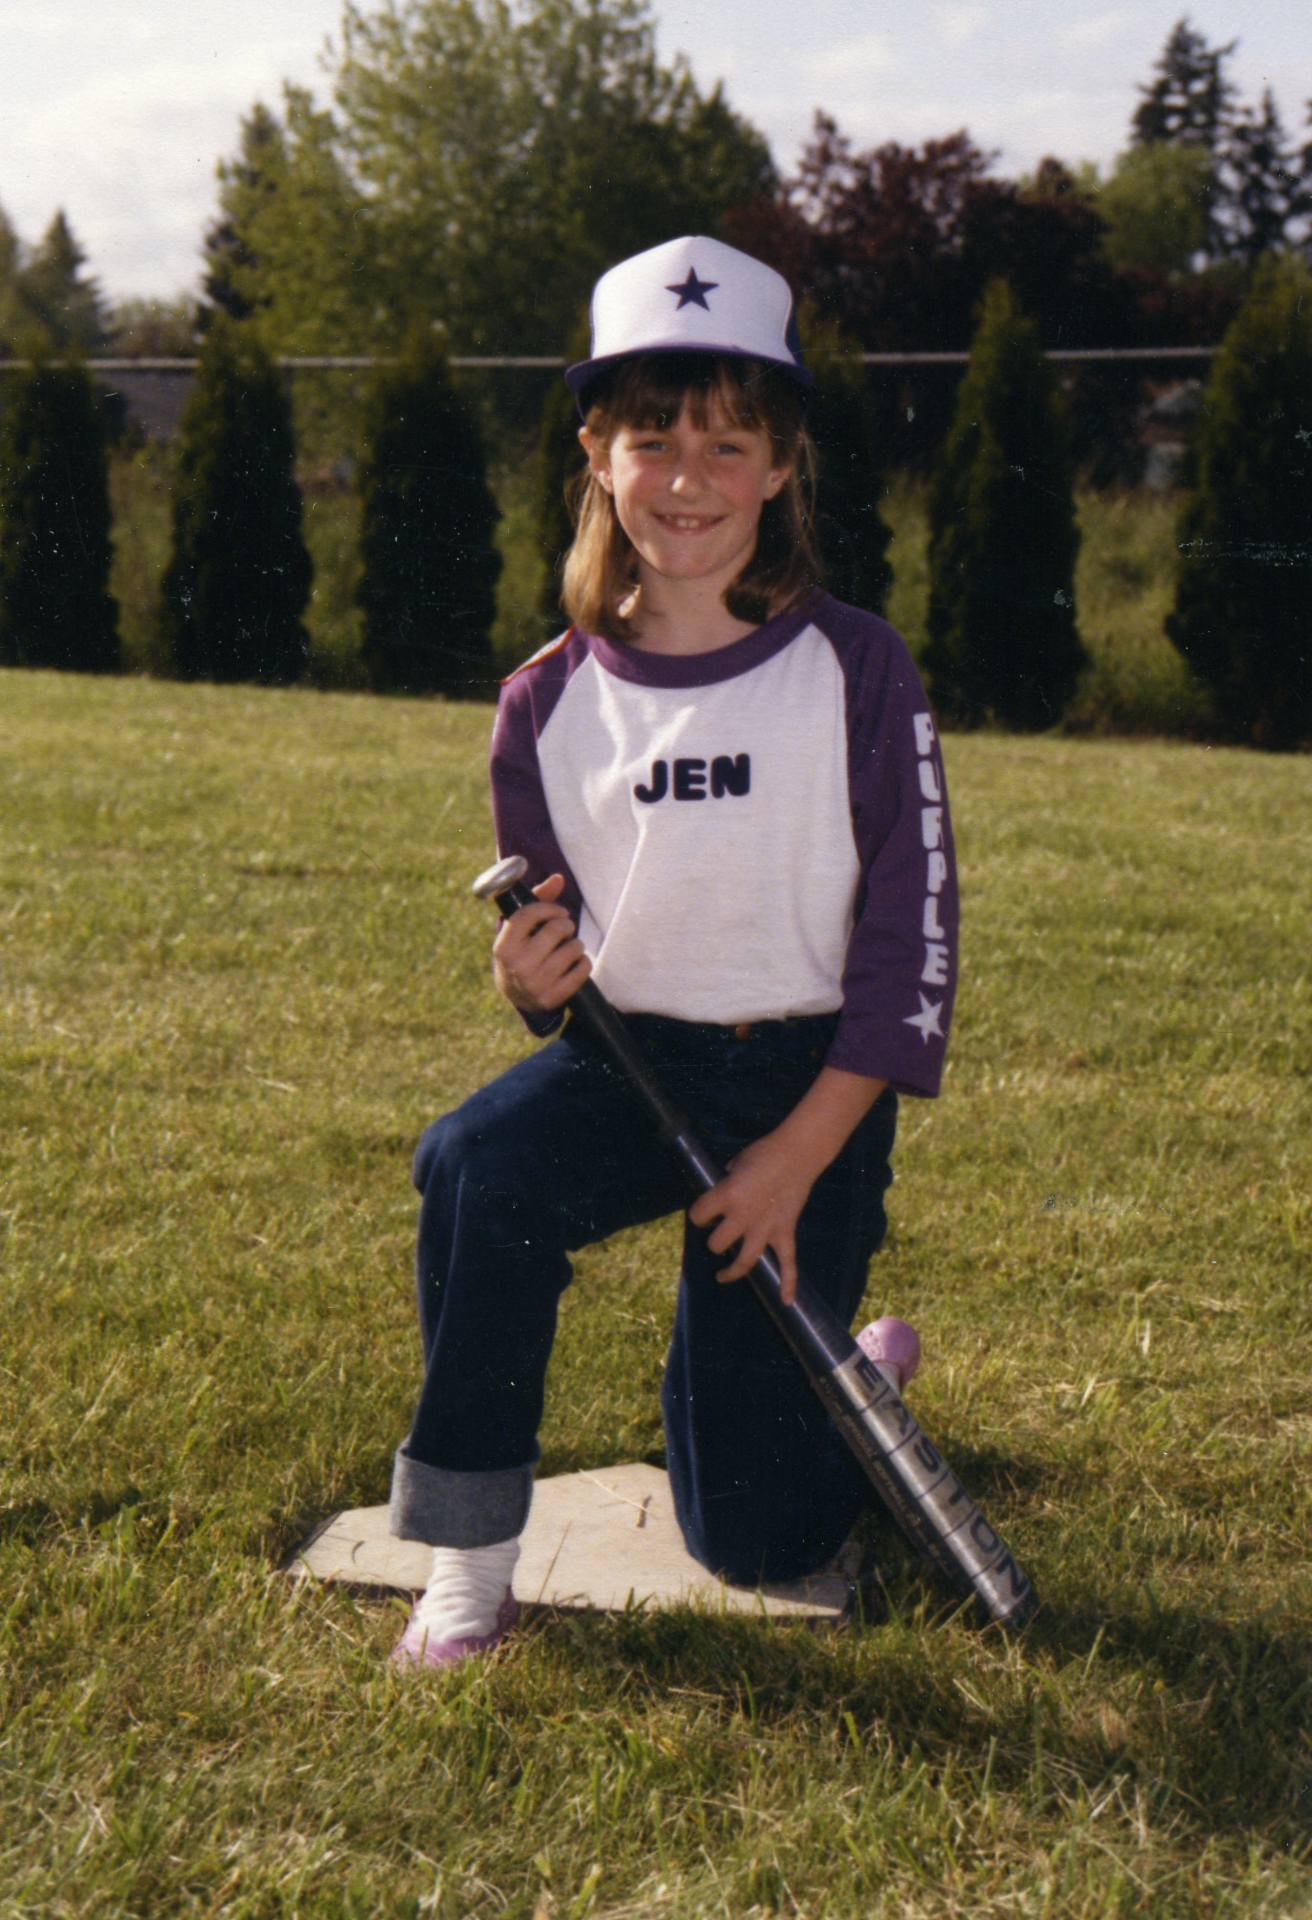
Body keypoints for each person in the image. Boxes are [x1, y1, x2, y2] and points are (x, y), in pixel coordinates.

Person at [388, 235, 958, 1670]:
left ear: (781, 465)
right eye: (654, 437)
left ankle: (847, 1381)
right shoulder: (542, 701)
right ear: (597, 452)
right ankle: (467, 1561)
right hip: (635, 1072)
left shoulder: (857, 668)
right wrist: (525, 979)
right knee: (475, 1164)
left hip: (805, 1090)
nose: (689, 476)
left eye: (728, 440)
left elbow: (914, 944)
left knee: (754, 1544)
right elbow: (557, 939)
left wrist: (797, 1158)